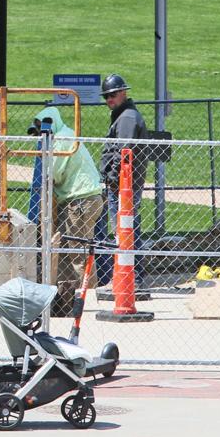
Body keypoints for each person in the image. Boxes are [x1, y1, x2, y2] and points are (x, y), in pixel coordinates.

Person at [30, 106, 105, 316]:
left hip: (80, 201)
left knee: (77, 254)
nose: (40, 132)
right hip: (83, 200)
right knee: (69, 251)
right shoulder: (65, 134)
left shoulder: (62, 139)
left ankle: (86, 304)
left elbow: (53, 174)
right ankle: (69, 300)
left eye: (42, 126)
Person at [95, 74, 149, 287]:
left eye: (113, 94)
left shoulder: (126, 117)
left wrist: (116, 180)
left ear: (124, 93)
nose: (109, 99)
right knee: (125, 231)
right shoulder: (123, 114)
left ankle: (131, 278)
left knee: (125, 231)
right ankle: (128, 278)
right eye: (106, 96)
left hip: (124, 186)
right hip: (123, 185)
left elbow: (123, 154)